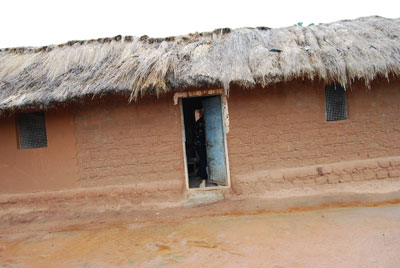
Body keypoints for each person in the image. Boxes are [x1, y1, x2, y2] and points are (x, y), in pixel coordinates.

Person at [193, 109, 207, 180]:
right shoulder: (201, 122)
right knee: (203, 159)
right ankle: (203, 175)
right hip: (201, 144)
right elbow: (202, 135)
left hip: (200, 144)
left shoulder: (200, 121)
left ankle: (200, 173)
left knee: (203, 159)